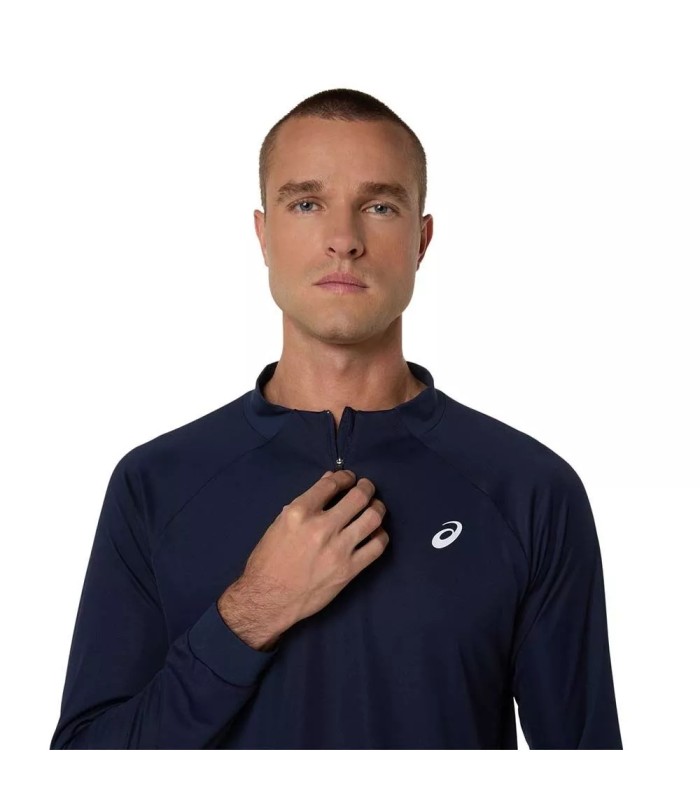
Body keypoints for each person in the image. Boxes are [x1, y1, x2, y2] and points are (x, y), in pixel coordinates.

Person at [49, 87, 623, 749]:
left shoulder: (530, 489)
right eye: (306, 203)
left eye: (379, 206)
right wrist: (252, 611)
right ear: (263, 235)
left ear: (421, 240)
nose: (344, 240)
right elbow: (82, 768)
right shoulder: (155, 483)